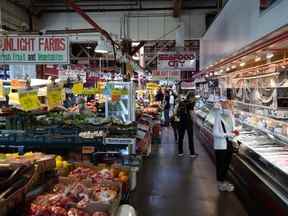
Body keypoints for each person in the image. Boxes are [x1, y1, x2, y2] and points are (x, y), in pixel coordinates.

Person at [213, 100, 238, 192]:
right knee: (221, 165)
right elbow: (215, 133)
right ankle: (220, 184)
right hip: (221, 145)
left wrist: (235, 133)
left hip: (229, 144)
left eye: (232, 104)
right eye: (229, 104)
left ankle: (223, 182)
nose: (231, 106)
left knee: (226, 164)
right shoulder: (218, 116)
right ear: (224, 105)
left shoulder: (230, 116)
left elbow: (232, 128)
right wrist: (228, 134)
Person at [176, 92, 198, 157]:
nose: (194, 98)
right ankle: (192, 153)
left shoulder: (182, 102)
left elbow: (177, 111)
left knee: (180, 137)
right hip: (188, 122)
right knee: (190, 137)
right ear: (191, 97)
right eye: (193, 97)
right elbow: (191, 113)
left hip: (181, 121)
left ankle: (180, 152)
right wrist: (195, 120)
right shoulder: (191, 103)